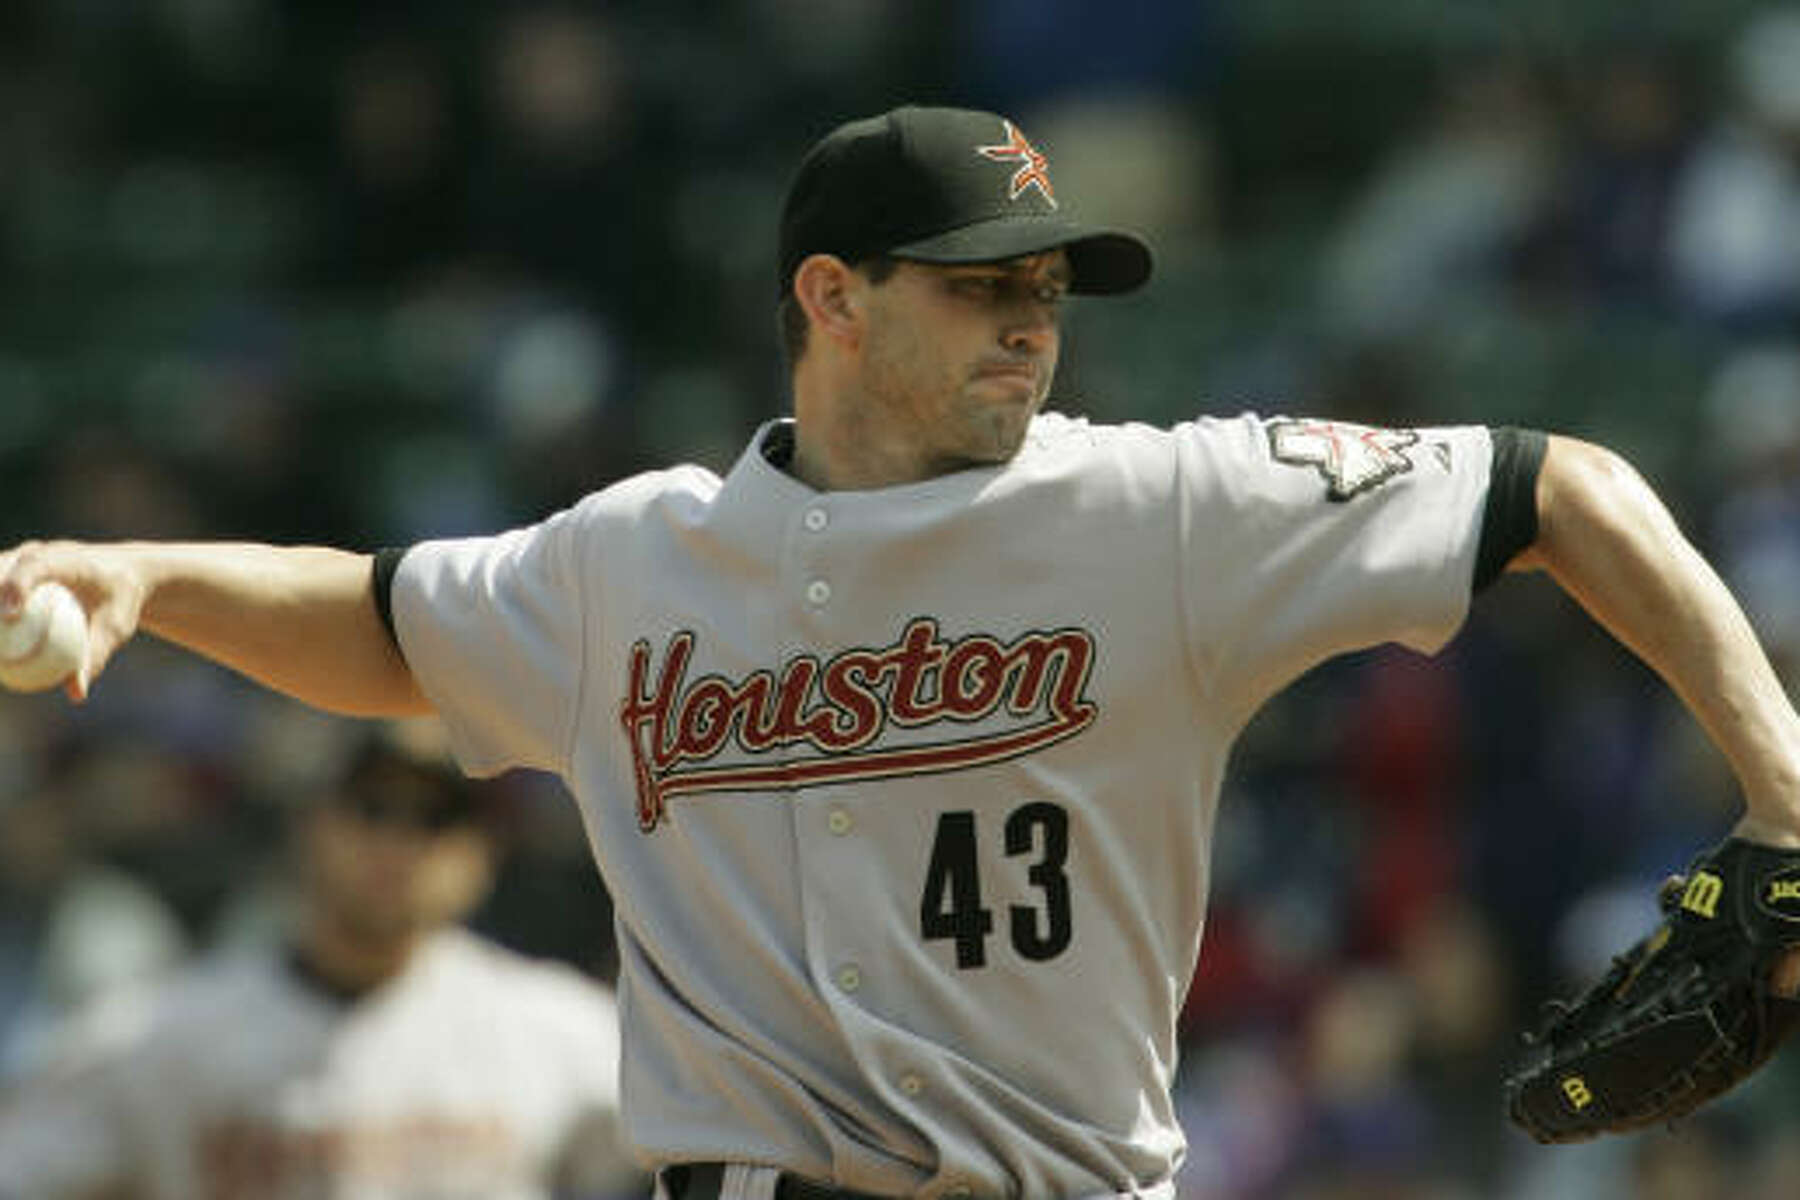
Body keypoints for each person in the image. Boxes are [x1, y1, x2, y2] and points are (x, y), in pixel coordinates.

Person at [2, 103, 1798, 1199]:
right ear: (831, 299)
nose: (1035, 325)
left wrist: (1786, 794)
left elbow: (1563, 485)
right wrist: (148, 572)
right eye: (982, 286)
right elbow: (382, 624)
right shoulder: (638, 557)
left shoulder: (1165, 510)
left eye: (1048, 291)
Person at [0, 728, 641, 1200]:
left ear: (482, 856)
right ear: (310, 825)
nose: (397, 843)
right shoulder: (159, 1035)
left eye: (435, 819)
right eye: (371, 808)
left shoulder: (561, 1032)